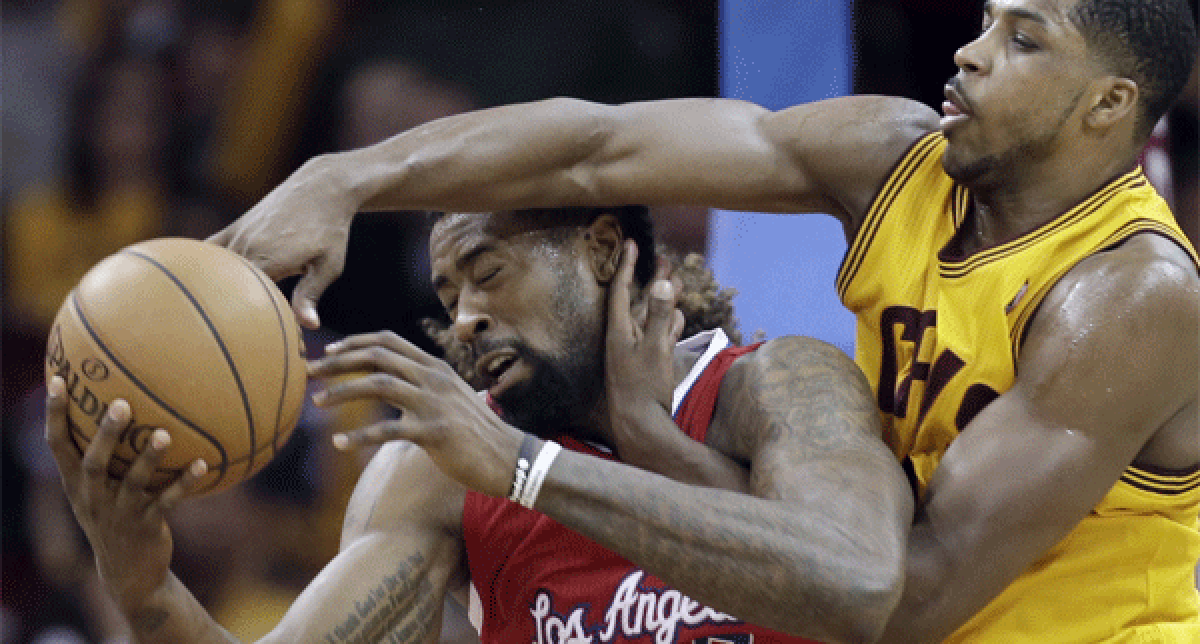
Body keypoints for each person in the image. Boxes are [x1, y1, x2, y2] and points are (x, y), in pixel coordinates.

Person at [206, 0, 1200, 642]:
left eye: (1022, 42)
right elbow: (598, 147)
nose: (971, 53)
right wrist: (346, 177)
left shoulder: (1131, 297)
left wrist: (526, 463)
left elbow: (901, 596)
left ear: (1109, 106)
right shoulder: (898, 157)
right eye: (985, 25)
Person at [45, 206, 913, 644]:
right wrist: (143, 589)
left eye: (487, 272)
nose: (463, 318)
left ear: (603, 250)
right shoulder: (443, 472)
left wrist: (538, 464)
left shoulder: (776, 382)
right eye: (449, 295)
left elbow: (857, 582)